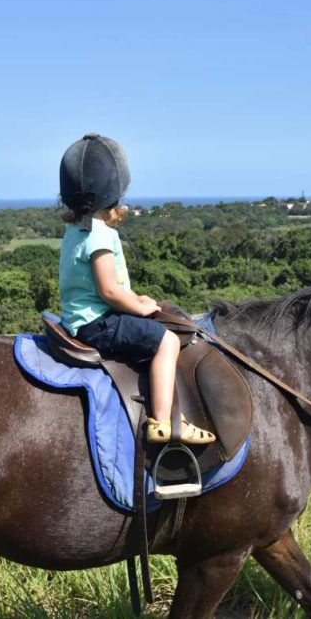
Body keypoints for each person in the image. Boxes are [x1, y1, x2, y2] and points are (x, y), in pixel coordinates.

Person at [57, 133, 214, 445]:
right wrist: (140, 307)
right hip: (98, 323)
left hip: (80, 318)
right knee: (167, 341)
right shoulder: (101, 235)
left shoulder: (76, 231)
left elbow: (103, 288)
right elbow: (108, 291)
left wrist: (134, 297)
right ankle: (163, 422)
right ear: (113, 192)